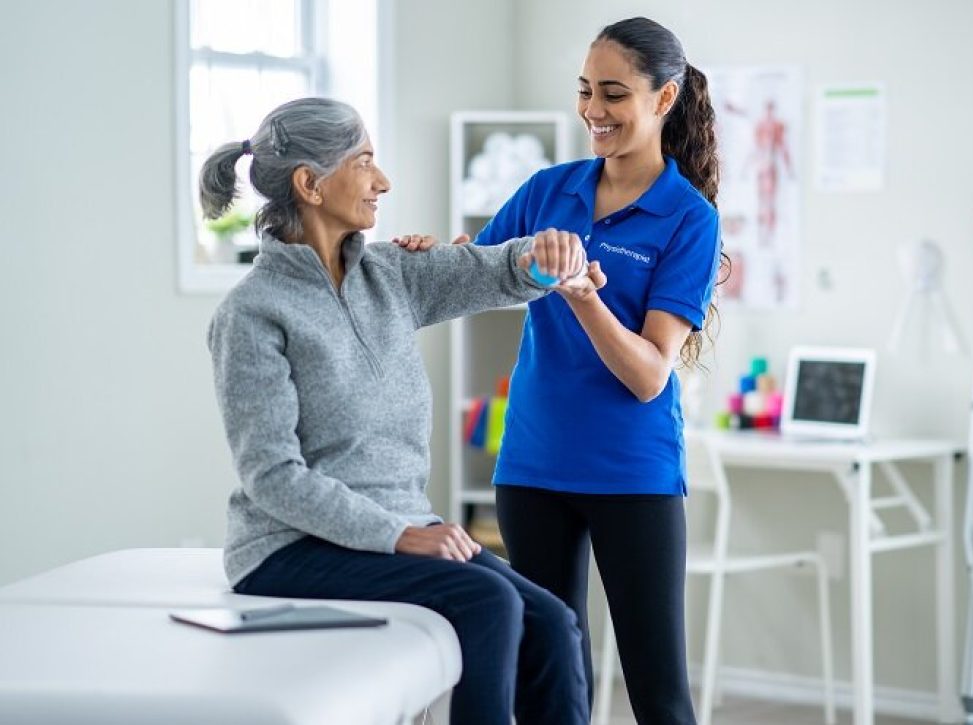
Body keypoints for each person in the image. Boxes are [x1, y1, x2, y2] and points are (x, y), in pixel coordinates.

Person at [201, 97, 596, 725]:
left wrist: (542, 257)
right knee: (490, 602)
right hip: (290, 547)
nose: (382, 181)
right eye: (364, 162)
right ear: (310, 184)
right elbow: (271, 476)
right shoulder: (252, 314)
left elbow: (492, 269)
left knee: (552, 622)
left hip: (398, 526)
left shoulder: (389, 274)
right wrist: (402, 535)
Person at [415, 16, 727, 724]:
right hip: (533, 465)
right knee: (550, 679)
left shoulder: (689, 218)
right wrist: (429, 256)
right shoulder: (547, 190)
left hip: (632, 474)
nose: (593, 110)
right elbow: (476, 276)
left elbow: (649, 375)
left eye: (613, 94)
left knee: (660, 695)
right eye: (585, 90)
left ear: (665, 98)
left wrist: (584, 296)